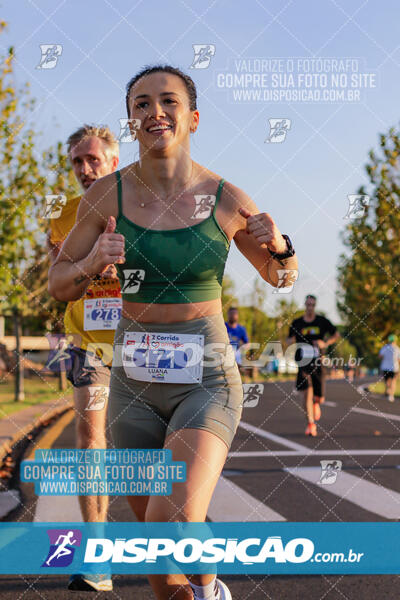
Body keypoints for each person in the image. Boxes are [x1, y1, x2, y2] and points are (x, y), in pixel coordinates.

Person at [48, 64, 298, 600]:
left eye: (168, 101)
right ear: (131, 120)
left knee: (172, 514)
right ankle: (208, 589)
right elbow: (59, 283)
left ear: (194, 117)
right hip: (132, 385)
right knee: (159, 546)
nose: (154, 112)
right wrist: (92, 260)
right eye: (141, 104)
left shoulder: (225, 196)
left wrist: (281, 244)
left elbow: (279, 276)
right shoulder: (103, 197)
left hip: (204, 378)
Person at [47, 124, 119, 592]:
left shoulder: (147, 202)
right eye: (77, 161)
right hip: (88, 342)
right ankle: (97, 556)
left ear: (114, 161)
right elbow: (59, 284)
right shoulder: (61, 215)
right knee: (90, 441)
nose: (85, 169)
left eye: (93, 159)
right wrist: (90, 265)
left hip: (146, 340)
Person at [287, 295, 339, 437]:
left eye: (312, 305)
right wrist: (291, 341)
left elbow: (336, 334)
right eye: (308, 305)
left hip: (318, 362)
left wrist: (325, 343)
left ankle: (316, 404)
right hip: (303, 363)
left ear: (315, 306)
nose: (310, 307)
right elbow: (288, 338)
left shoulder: (322, 321)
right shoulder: (297, 323)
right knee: (306, 393)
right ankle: (311, 424)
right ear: (305, 305)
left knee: (319, 397)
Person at [224, 306, 249, 371]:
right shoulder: (223, 326)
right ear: (228, 315)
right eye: (231, 314)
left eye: (234, 314)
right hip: (224, 350)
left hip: (236, 352)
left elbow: (247, 344)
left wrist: (242, 351)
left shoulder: (241, 329)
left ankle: (240, 372)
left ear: (237, 315)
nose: (232, 316)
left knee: (237, 355)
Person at [379, 334, 400, 402]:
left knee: (387, 381)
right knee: (393, 381)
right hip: (394, 367)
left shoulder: (385, 348)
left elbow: (380, 356)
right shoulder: (397, 349)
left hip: (385, 367)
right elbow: (399, 359)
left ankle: (388, 390)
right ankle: (391, 395)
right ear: (395, 340)